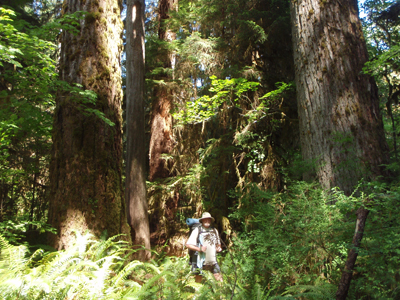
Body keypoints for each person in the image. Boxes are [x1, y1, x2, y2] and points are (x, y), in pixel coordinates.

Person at [186, 212, 223, 282]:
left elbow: (218, 245)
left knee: (219, 280)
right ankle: (198, 293)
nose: (207, 221)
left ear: (211, 221)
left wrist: (218, 248)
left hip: (213, 261)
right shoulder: (197, 230)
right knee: (198, 281)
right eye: (205, 219)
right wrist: (199, 249)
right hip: (200, 261)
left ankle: (222, 292)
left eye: (208, 219)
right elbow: (188, 245)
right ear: (202, 220)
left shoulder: (214, 231)